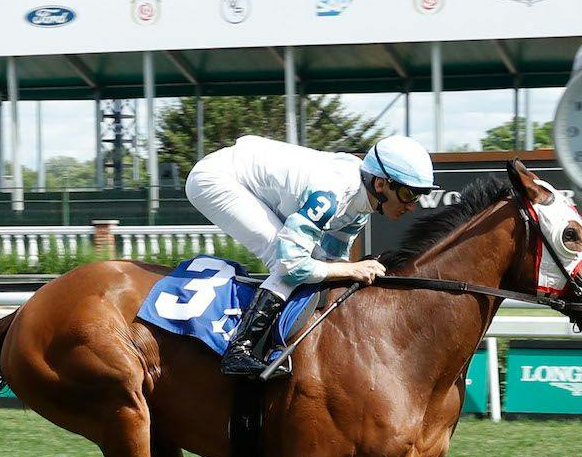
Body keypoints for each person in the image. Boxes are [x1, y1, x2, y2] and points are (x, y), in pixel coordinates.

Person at [185, 134, 435, 377]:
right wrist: (353, 269)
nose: (412, 205)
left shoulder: (360, 206)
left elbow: (331, 260)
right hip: (217, 178)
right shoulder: (333, 195)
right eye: (408, 194)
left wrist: (349, 268)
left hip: (252, 180)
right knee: (283, 259)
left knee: (313, 261)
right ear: (380, 184)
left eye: (418, 195)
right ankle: (239, 349)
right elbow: (291, 265)